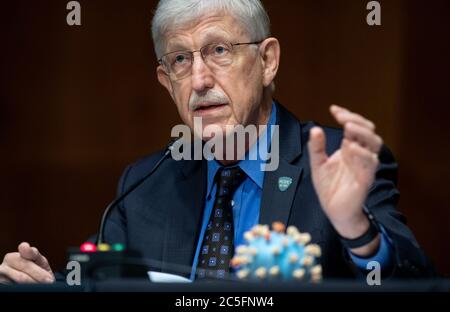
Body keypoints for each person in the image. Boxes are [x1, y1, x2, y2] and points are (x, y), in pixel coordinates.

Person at [0, 0, 434, 284]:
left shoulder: (337, 164)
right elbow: (100, 282)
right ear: (166, 82)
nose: (200, 80)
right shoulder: (143, 185)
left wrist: (357, 233)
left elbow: (415, 282)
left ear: (267, 61)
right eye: (181, 60)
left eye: (219, 50)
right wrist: (54, 285)